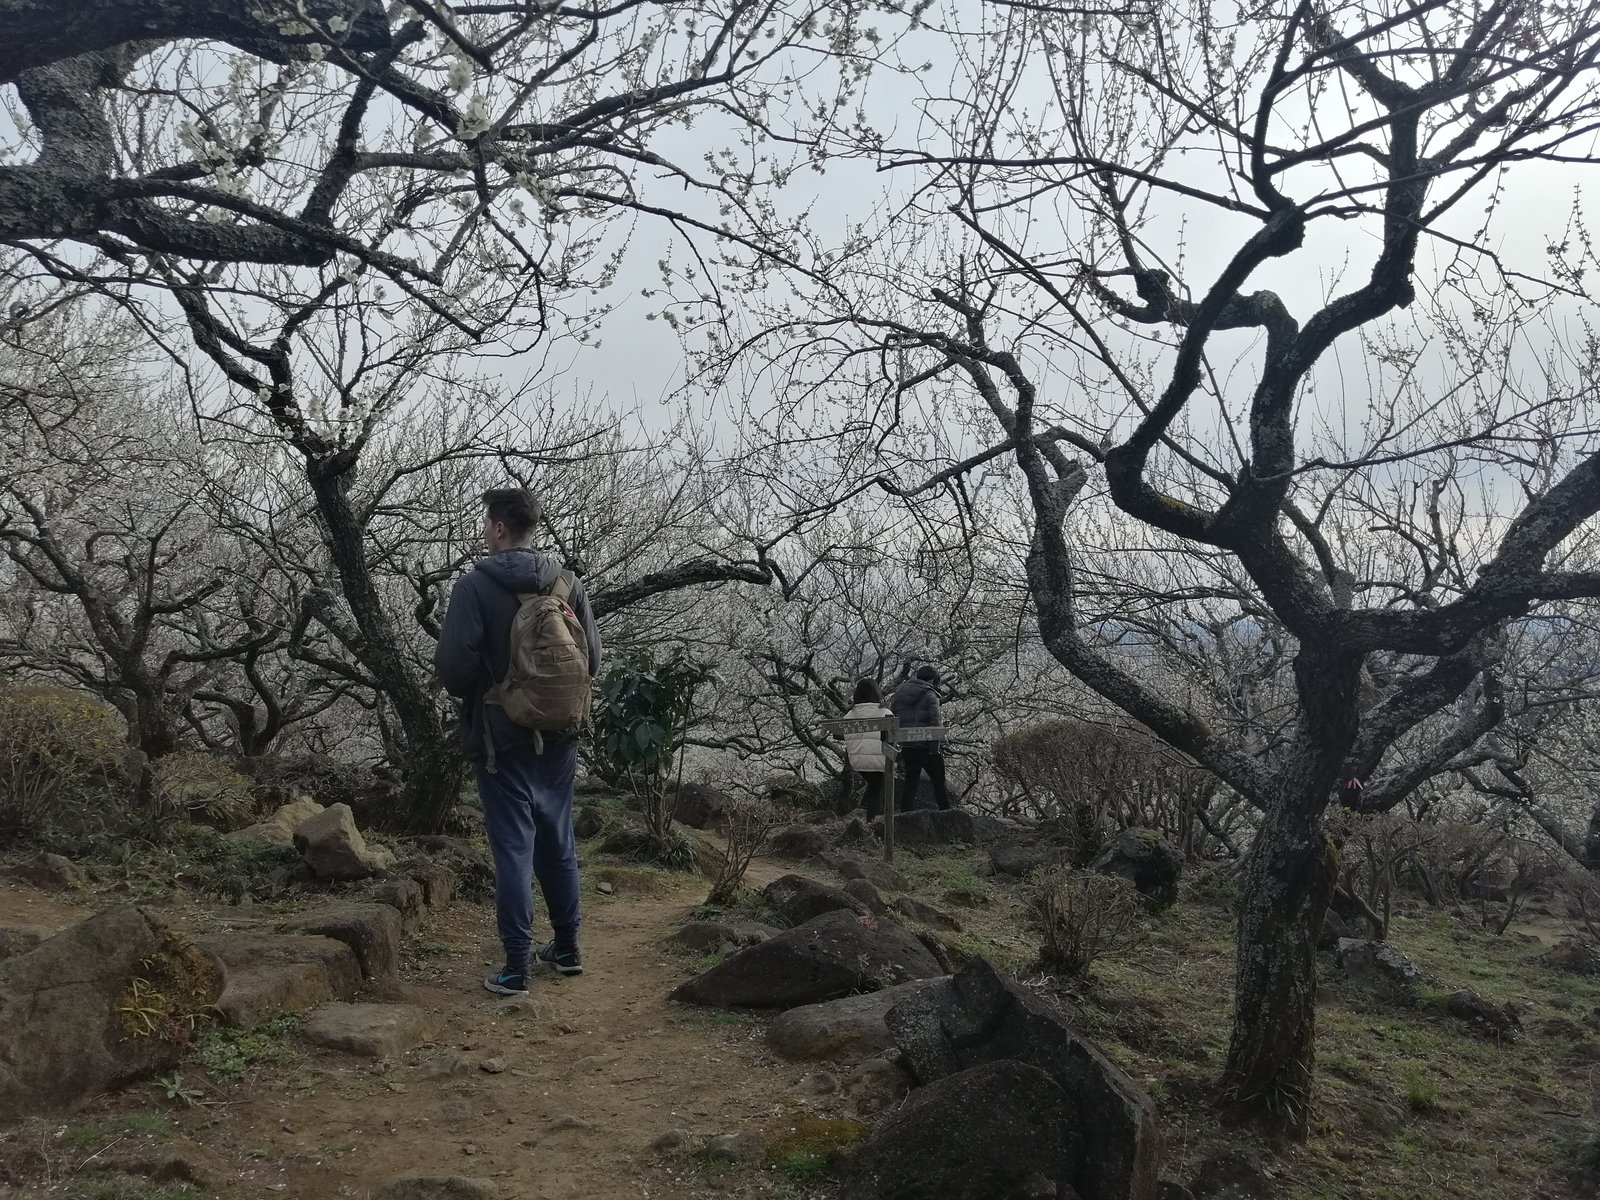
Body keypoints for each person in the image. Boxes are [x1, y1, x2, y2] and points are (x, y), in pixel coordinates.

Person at [434, 487, 602, 996]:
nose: (485, 531)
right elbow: (591, 659)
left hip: (499, 736)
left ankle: (515, 966)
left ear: (500, 528)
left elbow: (452, 668)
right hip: (560, 735)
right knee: (558, 839)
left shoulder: (474, 587)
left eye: (487, 524)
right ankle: (568, 948)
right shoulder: (567, 584)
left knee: (512, 847)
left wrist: (494, 689)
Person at [890, 664, 950, 810]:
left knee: (910, 783)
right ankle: (947, 814)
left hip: (908, 746)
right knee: (939, 784)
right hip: (926, 746)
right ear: (931, 680)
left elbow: (893, 718)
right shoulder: (930, 694)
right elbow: (935, 723)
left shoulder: (899, 693)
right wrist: (934, 749)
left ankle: (904, 816)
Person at [842, 678, 893, 819]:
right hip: (880, 761)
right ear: (876, 693)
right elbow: (894, 737)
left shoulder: (849, 715)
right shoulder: (885, 712)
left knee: (873, 786)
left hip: (858, 762)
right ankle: (872, 822)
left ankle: (865, 817)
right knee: (876, 789)